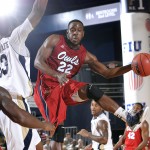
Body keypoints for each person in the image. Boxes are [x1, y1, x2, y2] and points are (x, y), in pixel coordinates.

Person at [33, 19, 137, 149]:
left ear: (83, 34)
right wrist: (57, 74)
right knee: (58, 131)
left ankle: (126, 116)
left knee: (91, 89)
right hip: (46, 88)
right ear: (67, 32)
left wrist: (131, 66)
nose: (75, 33)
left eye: (78, 30)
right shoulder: (54, 40)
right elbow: (37, 62)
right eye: (72, 30)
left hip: (65, 86)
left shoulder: (86, 56)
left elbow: (108, 73)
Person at [0, 0, 50, 149]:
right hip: (14, 102)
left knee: (37, 145)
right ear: (13, 27)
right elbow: (37, 12)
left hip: (9, 102)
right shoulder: (15, 39)